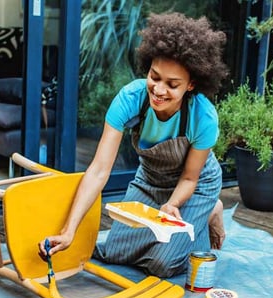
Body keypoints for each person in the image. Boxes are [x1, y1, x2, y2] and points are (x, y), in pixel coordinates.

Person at [39, 12, 229, 278]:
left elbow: (189, 177)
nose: (159, 90)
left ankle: (209, 210)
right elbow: (99, 171)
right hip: (150, 180)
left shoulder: (203, 117)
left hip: (194, 186)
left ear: (191, 85)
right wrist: (69, 230)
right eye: (155, 76)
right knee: (116, 252)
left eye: (172, 84)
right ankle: (192, 220)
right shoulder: (130, 99)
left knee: (164, 264)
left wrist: (173, 204)